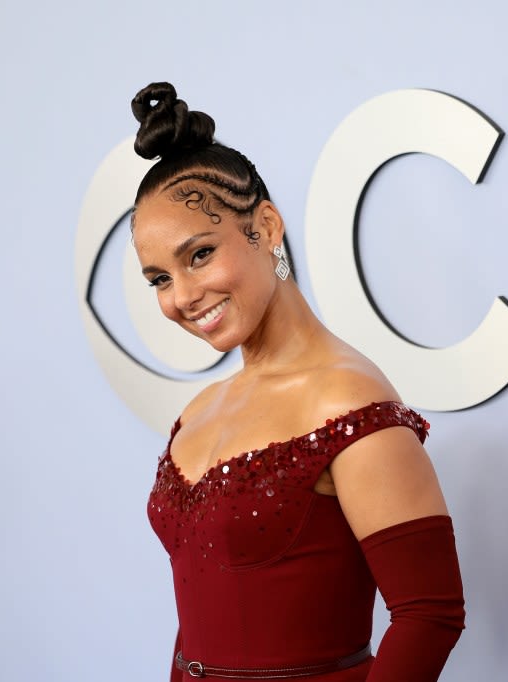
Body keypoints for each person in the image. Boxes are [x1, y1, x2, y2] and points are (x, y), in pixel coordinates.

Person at [132, 82, 465, 681]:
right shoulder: (201, 409)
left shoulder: (349, 401)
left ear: (265, 226)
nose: (181, 296)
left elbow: (429, 614)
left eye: (200, 254)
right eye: (159, 277)